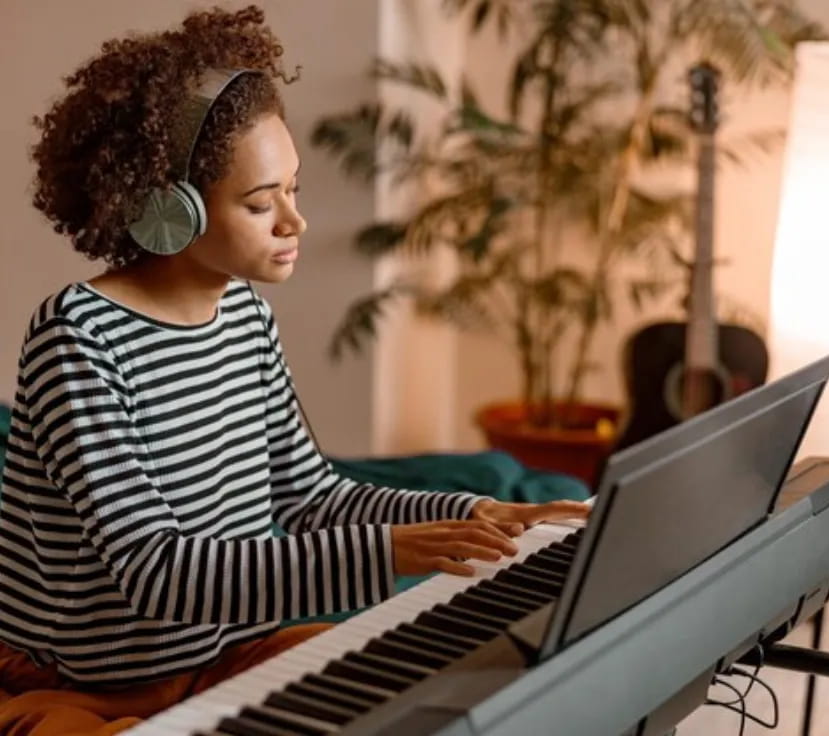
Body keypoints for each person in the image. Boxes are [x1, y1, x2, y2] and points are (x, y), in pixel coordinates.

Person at [0, 5, 588, 734]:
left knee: (439, 686)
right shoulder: (78, 337)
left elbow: (309, 495)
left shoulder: (246, 317)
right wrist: (388, 552)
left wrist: (466, 514)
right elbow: (155, 571)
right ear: (167, 211)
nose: (293, 221)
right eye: (260, 202)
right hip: (84, 687)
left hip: (230, 655)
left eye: (293, 189)